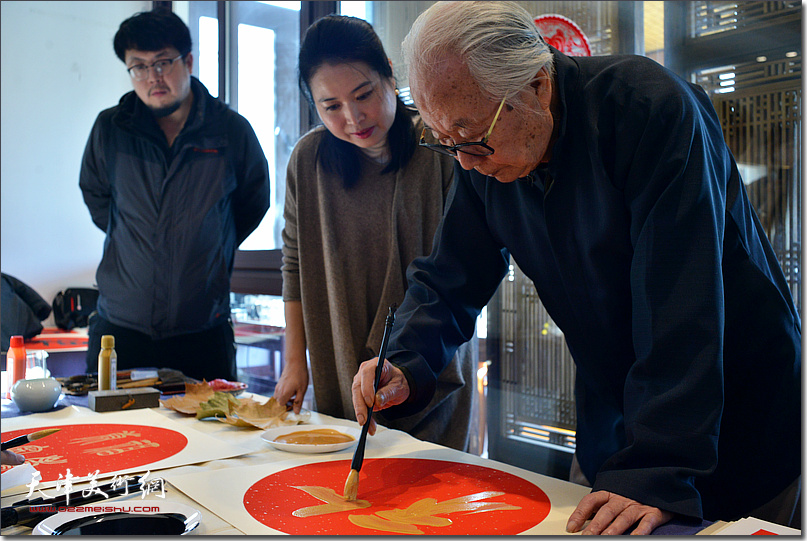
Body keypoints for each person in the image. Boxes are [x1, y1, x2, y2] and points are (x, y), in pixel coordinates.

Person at [351, 1, 801, 534]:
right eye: (444, 141)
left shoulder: (647, 109)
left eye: (470, 137)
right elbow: (449, 275)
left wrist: (655, 469)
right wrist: (403, 362)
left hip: (734, 407)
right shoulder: (483, 150)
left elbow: (681, 298)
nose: (465, 161)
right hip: (618, 408)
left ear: (538, 85)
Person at [273, 15, 475, 452]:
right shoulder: (308, 160)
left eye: (363, 94)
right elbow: (293, 263)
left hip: (429, 363)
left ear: (388, 70)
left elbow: (464, 267)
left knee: (426, 497)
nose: (353, 117)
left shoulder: (438, 145)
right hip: (338, 350)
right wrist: (294, 362)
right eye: (331, 106)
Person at [79, 10, 270, 382]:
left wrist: (207, 241)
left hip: (203, 331)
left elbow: (253, 202)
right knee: (110, 436)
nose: (153, 77)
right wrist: (142, 239)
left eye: (163, 63)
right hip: (119, 329)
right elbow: (98, 199)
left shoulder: (230, 131)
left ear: (189, 61)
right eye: (139, 67)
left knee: (213, 435)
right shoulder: (110, 129)